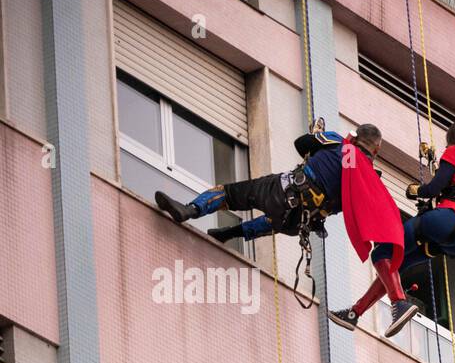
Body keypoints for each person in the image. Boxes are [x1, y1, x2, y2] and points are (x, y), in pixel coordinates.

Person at [152, 123, 406, 327]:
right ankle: (231, 233)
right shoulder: (368, 178)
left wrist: (318, 135)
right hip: (302, 221)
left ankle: (190, 210)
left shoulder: (337, 141)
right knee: (275, 222)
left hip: (285, 191)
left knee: (229, 194)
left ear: (356, 136)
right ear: (377, 149)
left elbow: (301, 144)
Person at [381, 116, 455, 340]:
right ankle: (398, 299)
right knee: (402, 261)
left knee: (386, 249)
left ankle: (396, 302)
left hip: (446, 220)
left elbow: (436, 186)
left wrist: (416, 190)